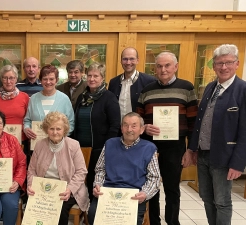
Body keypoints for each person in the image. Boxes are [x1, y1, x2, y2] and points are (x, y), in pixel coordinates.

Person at [184, 44, 246, 225]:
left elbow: (245, 131)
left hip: (224, 157)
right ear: (214, 65)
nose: (223, 67)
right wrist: (193, 148)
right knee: (206, 196)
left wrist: (238, 163)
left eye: (228, 62)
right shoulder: (211, 87)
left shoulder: (242, 90)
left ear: (237, 64)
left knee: (222, 201)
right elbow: (200, 121)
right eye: (219, 63)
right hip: (203, 155)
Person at [136, 52, 198, 225]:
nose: (163, 70)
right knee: (152, 187)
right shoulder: (147, 89)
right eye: (159, 66)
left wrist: (190, 150)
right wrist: (144, 127)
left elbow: (194, 122)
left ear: (175, 66)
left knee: (172, 189)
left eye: (167, 65)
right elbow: (138, 118)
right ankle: (154, 222)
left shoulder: (187, 88)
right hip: (150, 147)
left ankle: (172, 222)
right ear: (155, 68)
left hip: (175, 147)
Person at [87, 112, 161, 225]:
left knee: (131, 221)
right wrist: (98, 185)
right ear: (121, 128)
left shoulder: (149, 148)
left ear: (142, 129)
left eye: (134, 126)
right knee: (93, 214)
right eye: (125, 125)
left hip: (133, 195)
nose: (129, 129)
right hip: (109, 192)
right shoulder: (110, 144)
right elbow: (100, 169)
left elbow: (155, 178)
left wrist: (145, 193)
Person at [27, 111, 89, 225]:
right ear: (46, 130)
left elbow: (81, 171)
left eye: (58, 129)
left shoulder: (73, 145)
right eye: (51, 128)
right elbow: (31, 170)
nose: (55, 132)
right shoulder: (39, 145)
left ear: (64, 130)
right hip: (44, 189)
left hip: (67, 188)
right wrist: (31, 185)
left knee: (59, 208)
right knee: (32, 207)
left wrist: (69, 189)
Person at [72, 62, 121, 201]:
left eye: (96, 76)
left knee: (94, 181)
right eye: (89, 75)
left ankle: (93, 210)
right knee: (80, 179)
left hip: (99, 148)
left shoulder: (109, 97)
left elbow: (115, 125)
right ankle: (82, 207)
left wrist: (108, 146)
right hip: (80, 148)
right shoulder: (82, 97)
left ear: (102, 78)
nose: (92, 79)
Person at [0, 65, 30, 160]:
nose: (8, 81)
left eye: (11, 78)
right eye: (5, 78)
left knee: (19, 166)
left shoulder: (24, 97)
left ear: (16, 79)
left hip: (21, 140)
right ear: (1, 79)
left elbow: (28, 118)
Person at [23, 65, 75, 141]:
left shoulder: (64, 99)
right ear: (40, 80)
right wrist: (26, 128)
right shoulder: (33, 98)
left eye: (51, 79)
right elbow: (27, 120)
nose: (48, 82)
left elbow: (71, 123)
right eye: (45, 79)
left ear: (56, 80)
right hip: (37, 145)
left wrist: (60, 136)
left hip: (58, 145)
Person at [108, 47, 156, 121]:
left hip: (139, 130)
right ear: (121, 61)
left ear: (137, 60)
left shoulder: (149, 81)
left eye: (132, 59)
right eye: (125, 59)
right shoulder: (113, 82)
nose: (128, 62)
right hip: (118, 129)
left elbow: (152, 108)